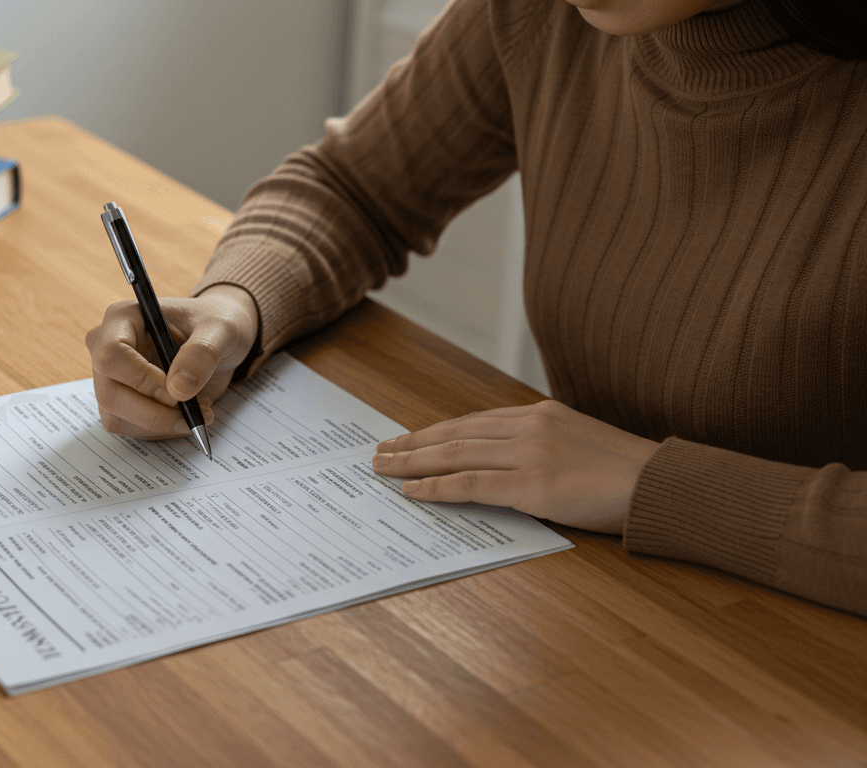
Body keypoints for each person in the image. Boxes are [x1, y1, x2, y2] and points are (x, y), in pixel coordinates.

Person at [85, 0, 867, 616]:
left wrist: (651, 485)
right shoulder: (540, 13)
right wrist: (234, 307)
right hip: (588, 610)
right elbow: (356, 189)